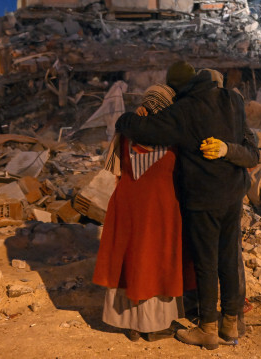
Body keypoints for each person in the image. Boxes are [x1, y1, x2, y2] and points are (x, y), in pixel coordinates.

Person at [116, 61, 259, 350]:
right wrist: (228, 150)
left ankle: (207, 329)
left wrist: (123, 120)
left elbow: (145, 130)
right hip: (233, 194)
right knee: (229, 258)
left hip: (203, 198)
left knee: (206, 262)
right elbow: (252, 151)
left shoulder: (184, 110)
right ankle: (230, 325)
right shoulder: (234, 100)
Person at [93, 83, 191, 342]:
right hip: (162, 207)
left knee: (131, 261)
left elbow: (112, 168)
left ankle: (130, 324)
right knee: (155, 263)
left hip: (128, 204)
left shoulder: (126, 130)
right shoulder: (173, 136)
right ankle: (154, 325)